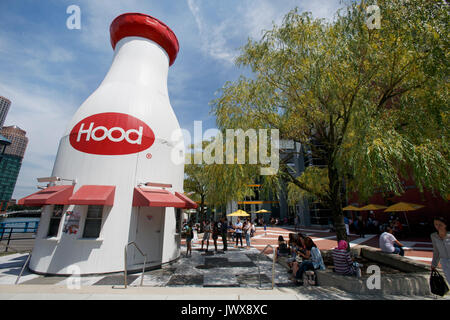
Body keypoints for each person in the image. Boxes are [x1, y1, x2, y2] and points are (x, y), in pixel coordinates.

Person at [431, 216, 450, 285]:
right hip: (444, 262)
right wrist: (434, 264)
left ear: (445, 225)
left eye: (440, 224)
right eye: (436, 224)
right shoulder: (433, 236)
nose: (438, 226)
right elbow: (436, 251)